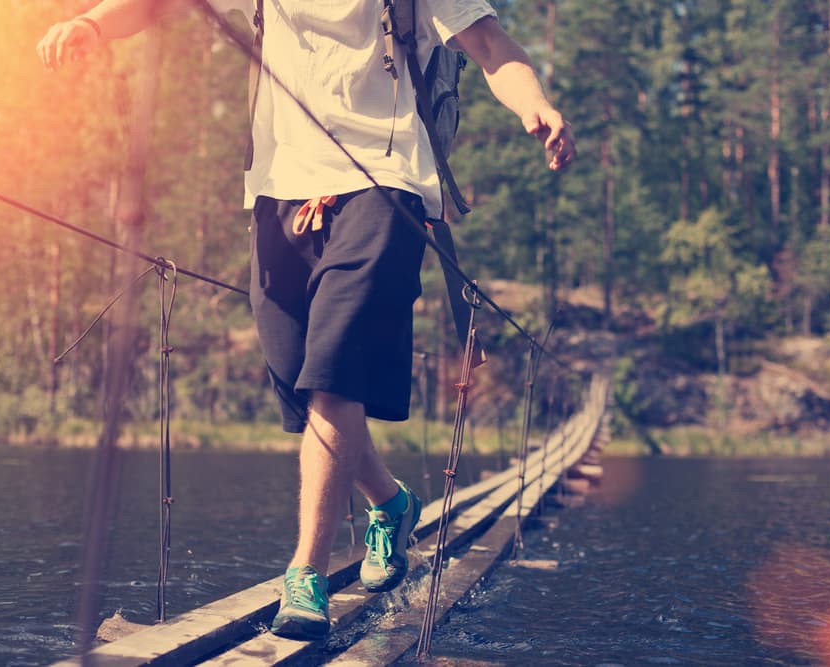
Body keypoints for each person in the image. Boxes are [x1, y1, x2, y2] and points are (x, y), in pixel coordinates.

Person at [38, 0, 575, 641]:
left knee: (335, 371)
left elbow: (491, 46)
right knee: (299, 378)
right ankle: (390, 500)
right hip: (280, 191)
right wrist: (92, 23)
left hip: (386, 185)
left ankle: (307, 574)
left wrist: (534, 103)